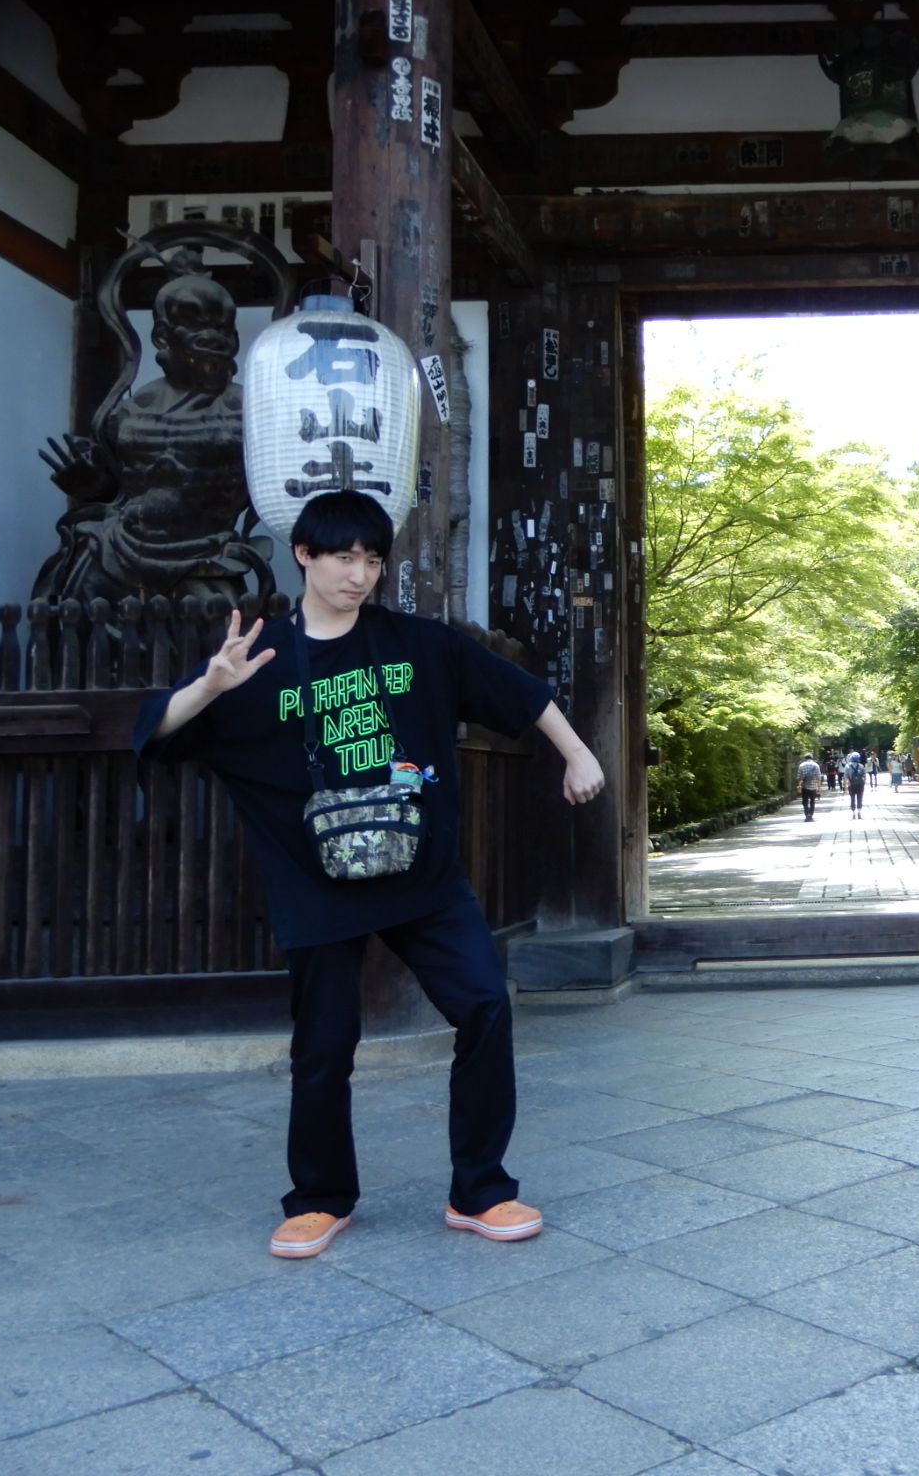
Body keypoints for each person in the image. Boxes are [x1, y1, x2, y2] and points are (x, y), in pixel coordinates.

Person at [136, 490, 605, 1261]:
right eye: (343, 557)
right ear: (304, 556)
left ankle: (480, 1188)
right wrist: (211, 687)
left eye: (372, 559)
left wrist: (579, 752)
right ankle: (320, 1197)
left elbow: (521, 694)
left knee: (485, 1005)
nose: (359, 574)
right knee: (325, 1043)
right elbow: (155, 733)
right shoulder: (257, 660)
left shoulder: (420, 643)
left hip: (421, 873)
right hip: (315, 881)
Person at [796, 753, 824, 822]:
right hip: (813, 787)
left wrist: (799, 787)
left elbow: (799, 778)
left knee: (805, 801)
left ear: (805, 758)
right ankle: (810, 816)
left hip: (804, 787)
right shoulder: (816, 765)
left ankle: (807, 815)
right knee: (812, 801)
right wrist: (818, 788)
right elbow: (818, 778)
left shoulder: (801, 765)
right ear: (812, 758)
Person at [845, 751, 867, 818]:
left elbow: (846, 777)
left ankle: (853, 813)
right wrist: (864, 783)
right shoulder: (861, 766)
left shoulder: (847, 766)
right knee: (860, 798)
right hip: (860, 784)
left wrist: (846, 786)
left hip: (851, 785)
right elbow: (864, 776)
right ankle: (859, 812)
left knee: (852, 798)